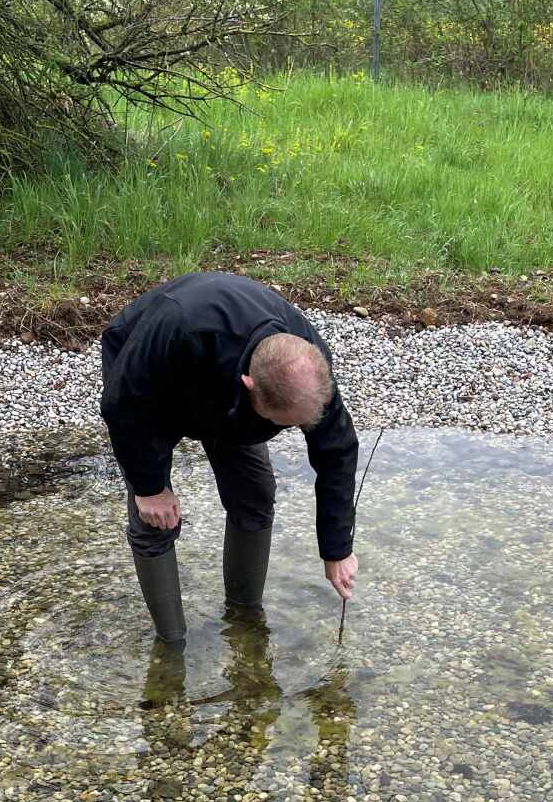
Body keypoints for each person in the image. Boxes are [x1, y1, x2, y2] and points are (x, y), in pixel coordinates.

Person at [100, 272, 360, 644]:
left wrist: (337, 550)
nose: (293, 429)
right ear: (250, 385)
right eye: (282, 423)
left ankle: (244, 620)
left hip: (231, 398)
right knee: (154, 519)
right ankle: (171, 646)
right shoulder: (178, 328)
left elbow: (337, 450)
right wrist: (149, 488)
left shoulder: (310, 371)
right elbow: (122, 406)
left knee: (255, 495)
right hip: (155, 386)